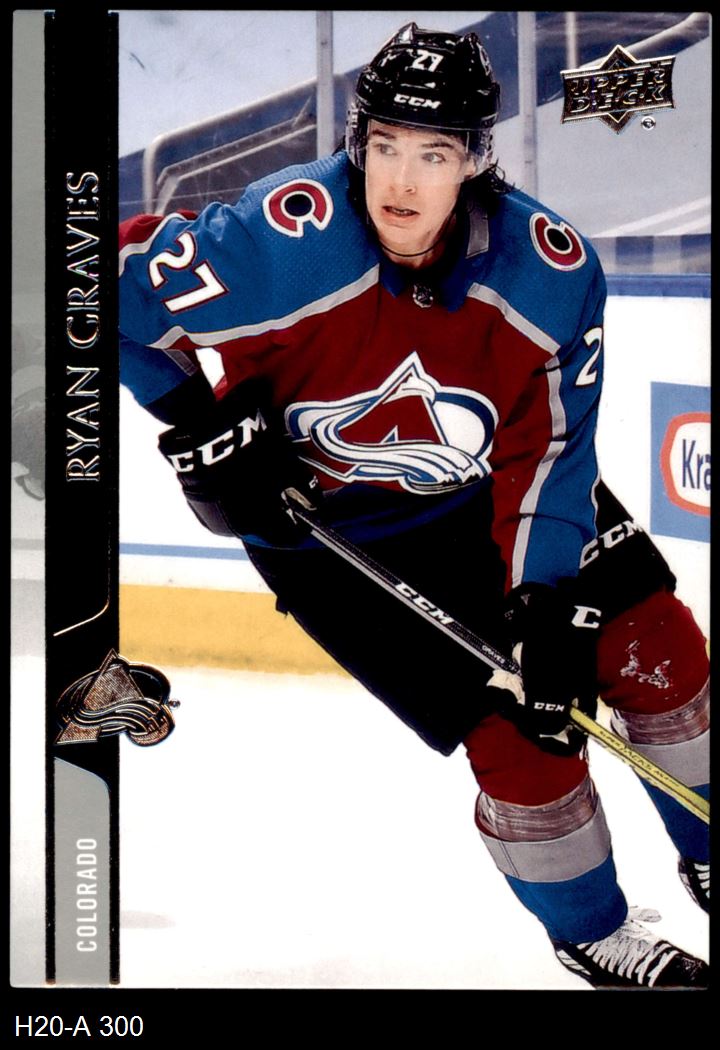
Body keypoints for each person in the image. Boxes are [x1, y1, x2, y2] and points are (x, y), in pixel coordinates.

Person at [118, 23, 709, 988]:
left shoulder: (550, 274)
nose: (400, 180)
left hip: (493, 494)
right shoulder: (279, 242)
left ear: (475, 159)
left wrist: (544, 604)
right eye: (383, 144)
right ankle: (595, 931)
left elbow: (551, 452)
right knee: (521, 739)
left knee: (660, 649)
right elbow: (96, 288)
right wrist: (199, 421)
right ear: (356, 141)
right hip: (335, 538)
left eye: (433, 153)